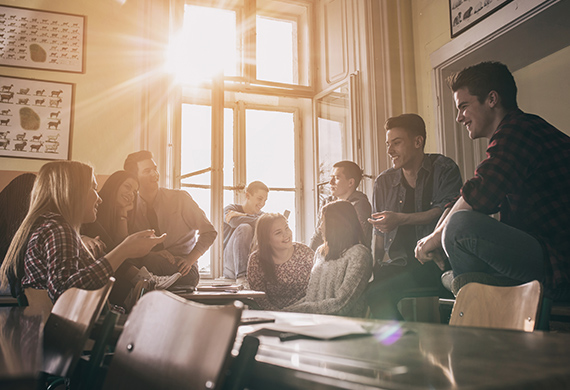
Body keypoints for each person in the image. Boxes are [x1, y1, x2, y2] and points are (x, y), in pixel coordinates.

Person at [415, 61, 570, 302]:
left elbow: (482, 193)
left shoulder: (520, 129)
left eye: (464, 106)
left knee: (459, 226)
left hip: (558, 263)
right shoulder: (514, 132)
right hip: (543, 255)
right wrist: (437, 234)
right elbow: (467, 195)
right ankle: (475, 287)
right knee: (453, 221)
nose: (458, 117)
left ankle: (475, 294)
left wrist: (435, 239)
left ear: (492, 99)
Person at [0, 161, 166, 303]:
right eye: (93, 188)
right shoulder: (58, 228)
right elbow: (64, 292)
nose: (99, 198)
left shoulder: (51, 226)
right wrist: (122, 251)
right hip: (58, 334)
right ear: (72, 192)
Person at [366, 113, 462, 319]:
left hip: (441, 261)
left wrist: (400, 219)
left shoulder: (444, 169)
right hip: (401, 264)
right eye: (388, 144)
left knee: (455, 307)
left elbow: (445, 212)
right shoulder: (383, 182)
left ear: (418, 141)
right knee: (374, 293)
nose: (390, 150)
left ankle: (452, 347)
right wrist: (373, 267)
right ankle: (404, 345)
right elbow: (379, 234)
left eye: (396, 143)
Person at [81, 170, 181, 304]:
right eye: (127, 187)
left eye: (135, 191)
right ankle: (141, 277)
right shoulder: (93, 209)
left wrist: (122, 213)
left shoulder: (120, 214)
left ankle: (140, 280)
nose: (131, 194)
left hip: (114, 268)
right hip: (95, 261)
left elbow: (121, 244)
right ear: (114, 186)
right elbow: (77, 227)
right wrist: (82, 237)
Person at [124, 150, 217, 287]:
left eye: (155, 169)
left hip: (183, 268)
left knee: (150, 262)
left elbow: (209, 232)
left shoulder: (180, 199)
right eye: (147, 171)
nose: (154, 174)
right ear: (135, 178)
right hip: (149, 264)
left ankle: (147, 282)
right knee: (129, 259)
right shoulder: (130, 207)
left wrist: (190, 260)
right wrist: (153, 253)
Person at [284, 200, 372, 317]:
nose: (320, 227)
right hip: (312, 322)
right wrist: (283, 311)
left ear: (335, 224)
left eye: (323, 221)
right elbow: (311, 299)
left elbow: (342, 304)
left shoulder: (359, 254)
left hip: (341, 328)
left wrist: (290, 312)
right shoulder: (321, 252)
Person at [246, 213, 314, 310]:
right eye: (278, 233)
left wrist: (294, 312)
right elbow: (259, 299)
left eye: (287, 228)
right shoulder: (256, 260)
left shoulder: (305, 252)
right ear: (267, 239)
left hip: (304, 312)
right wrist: (280, 314)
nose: (286, 234)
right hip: (271, 316)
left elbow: (316, 289)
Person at [310, 160, 372, 251]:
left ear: (351, 182)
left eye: (337, 178)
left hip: (351, 256)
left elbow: (354, 238)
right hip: (327, 255)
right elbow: (318, 234)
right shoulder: (327, 202)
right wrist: (308, 256)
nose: (331, 182)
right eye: (331, 177)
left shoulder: (360, 204)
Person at [223, 181, 269, 282]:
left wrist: (244, 216)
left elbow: (269, 224)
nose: (262, 204)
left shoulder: (262, 215)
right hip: (230, 266)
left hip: (251, 265)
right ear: (247, 195)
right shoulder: (230, 209)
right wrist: (260, 220)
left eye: (265, 200)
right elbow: (234, 222)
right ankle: (241, 276)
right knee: (245, 227)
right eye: (260, 199)